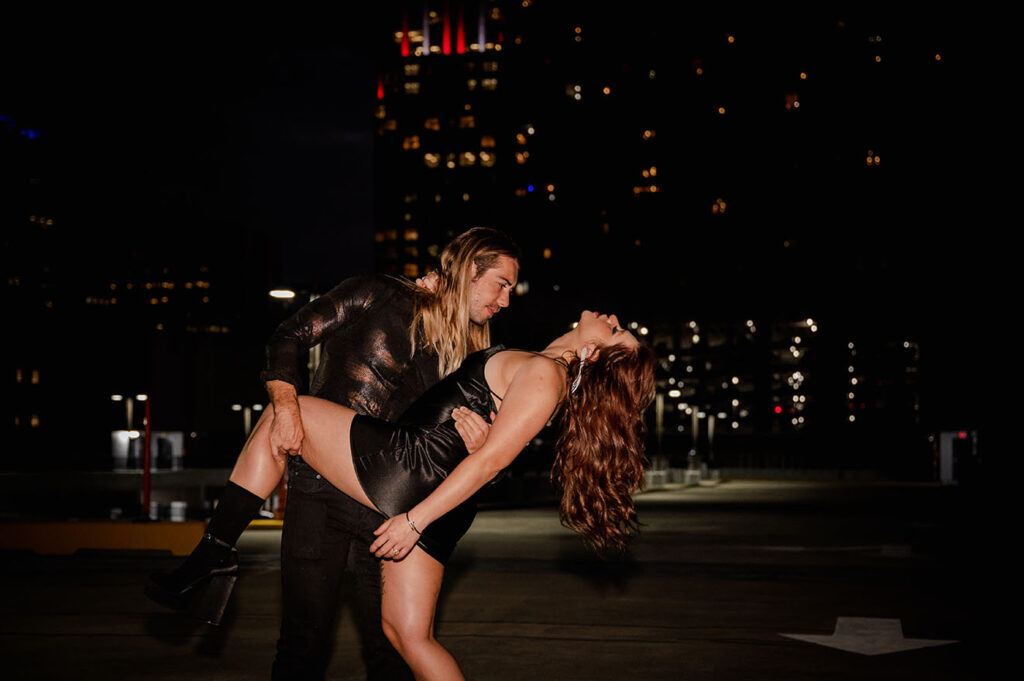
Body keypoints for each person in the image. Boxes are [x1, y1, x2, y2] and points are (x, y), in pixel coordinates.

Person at [145, 227, 521, 681]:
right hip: (319, 490)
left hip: (387, 507)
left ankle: (213, 552)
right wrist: (286, 407)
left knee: (390, 652)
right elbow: (288, 336)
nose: (505, 300)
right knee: (302, 641)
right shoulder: (376, 291)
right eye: (501, 283)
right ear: (466, 268)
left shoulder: (470, 352)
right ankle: (214, 551)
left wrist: (479, 446)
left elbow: (490, 459)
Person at [217, 309, 655, 680]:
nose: (613, 318)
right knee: (408, 636)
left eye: (615, 331)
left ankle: (213, 551)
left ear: (592, 353)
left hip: (417, 486)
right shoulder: (545, 371)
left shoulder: (546, 373)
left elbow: (491, 462)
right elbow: (489, 449)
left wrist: (413, 521)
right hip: (440, 498)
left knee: (291, 410)